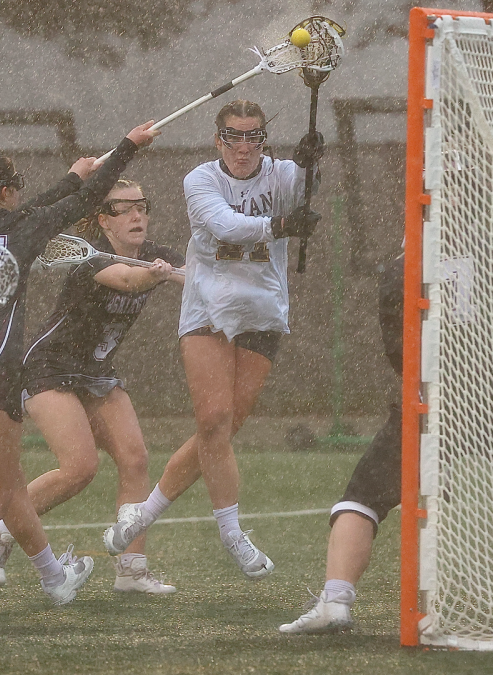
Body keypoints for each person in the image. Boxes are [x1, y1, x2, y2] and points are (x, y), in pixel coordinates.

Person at [278, 254, 493, 634]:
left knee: (362, 499)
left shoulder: (402, 266)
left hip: (430, 402)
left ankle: (335, 602)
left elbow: (398, 350)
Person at [0, 121, 159, 606]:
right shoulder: (17, 231)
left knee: (9, 484)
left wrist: (72, 175)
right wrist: (127, 147)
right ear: (4, 192)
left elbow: (44, 206)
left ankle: (54, 579)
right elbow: (79, 205)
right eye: (13, 192)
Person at [103, 100, 323, 579]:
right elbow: (226, 226)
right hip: (208, 307)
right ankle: (232, 534)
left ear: (264, 139)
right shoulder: (200, 180)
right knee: (215, 417)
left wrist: (310, 164)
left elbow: (304, 192)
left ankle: (143, 515)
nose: (243, 147)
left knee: (219, 431)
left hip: (262, 312)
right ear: (217, 140)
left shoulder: (282, 173)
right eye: (233, 137)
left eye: (252, 137)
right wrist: (281, 225)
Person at [0, 179, 184, 595]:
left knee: (135, 458)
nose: (136, 215)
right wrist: (154, 277)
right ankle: (2, 527)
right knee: (79, 468)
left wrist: (188, 274)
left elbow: (197, 274)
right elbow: (128, 281)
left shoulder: (158, 255)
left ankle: (132, 570)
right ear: (103, 222)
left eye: (142, 206)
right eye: (123, 209)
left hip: (96, 370)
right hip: (49, 368)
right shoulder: (90, 260)